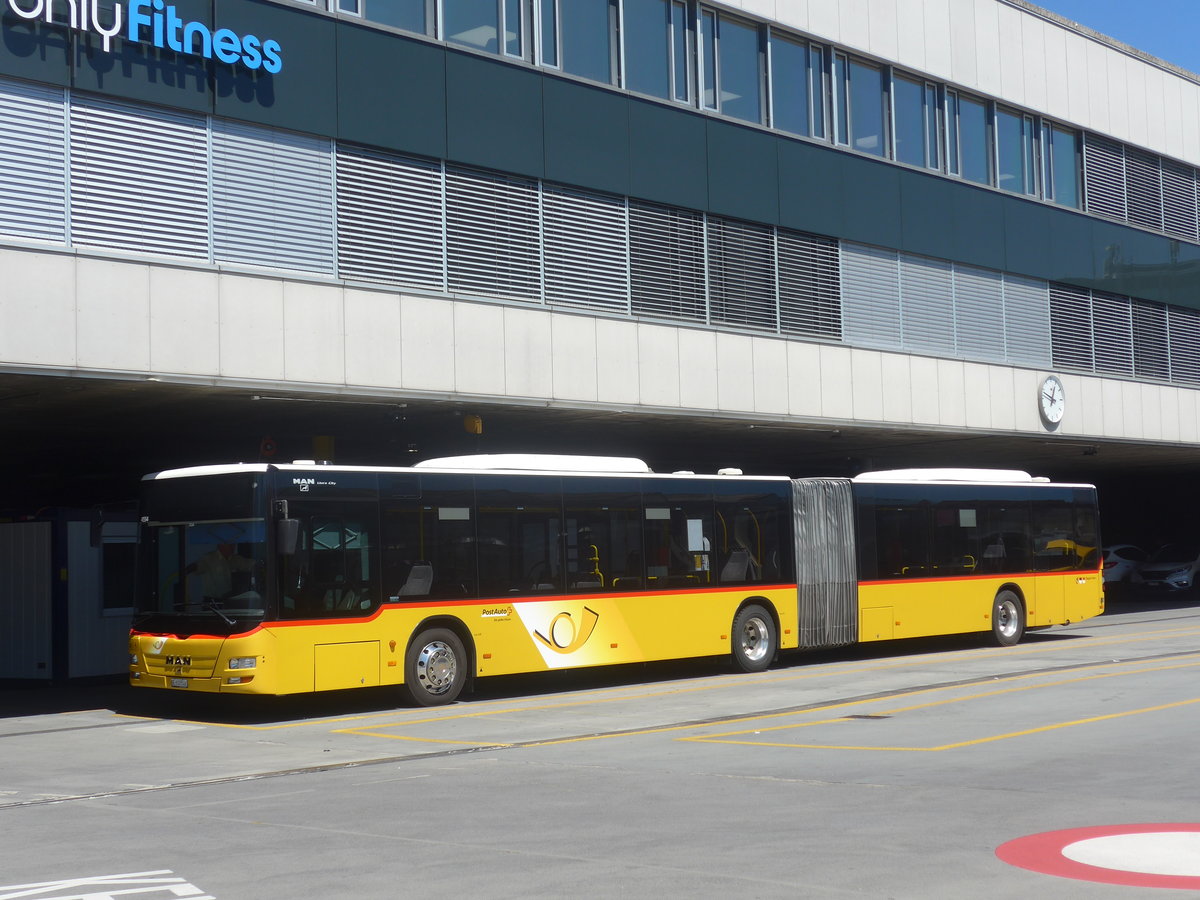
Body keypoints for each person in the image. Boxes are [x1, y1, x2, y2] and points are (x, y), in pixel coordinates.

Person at [186, 543, 256, 600]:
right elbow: (197, 567)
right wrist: (189, 568)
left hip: (230, 599)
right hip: (212, 601)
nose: (232, 546)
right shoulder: (209, 558)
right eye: (229, 544)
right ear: (220, 545)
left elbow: (251, 564)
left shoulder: (236, 559)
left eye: (233, 544)